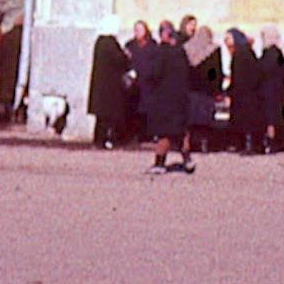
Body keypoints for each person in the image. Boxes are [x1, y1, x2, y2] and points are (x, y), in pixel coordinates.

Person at [141, 20, 195, 174]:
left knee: (165, 132)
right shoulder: (180, 51)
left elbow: (154, 74)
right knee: (181, 132)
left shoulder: (160, 52)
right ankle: (187, 160)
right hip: (180, 97)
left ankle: (159, 163)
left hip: (164, 98)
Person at [87, 18, 131, 149]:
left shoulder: (99, 42)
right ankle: (108, 140)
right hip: (110, 87)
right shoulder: (110, 43)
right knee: (109, 117)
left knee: (101, 117)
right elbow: (119, 61)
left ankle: (99, 140)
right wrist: (126, 56)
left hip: (101, 86)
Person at [224, 28, 267, 154]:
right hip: (246, 92)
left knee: (247, 120)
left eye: (228, 38)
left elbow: (241, 75)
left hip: (245, 93)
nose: (226, 41)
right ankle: (247, 145)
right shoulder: (245, 51)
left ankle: (249, 145)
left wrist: (231, 90)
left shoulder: (240, 53)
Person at [182, 17, 221, 149]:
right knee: (205, 119)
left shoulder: (188, 48)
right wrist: (217, 89)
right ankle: (204, 143)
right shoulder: (214, 49)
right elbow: (216, 72)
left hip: (192, 89)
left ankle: (192, 143)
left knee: (192, 118)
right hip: (207, 90)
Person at [255, 27, 284, 153]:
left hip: (269, 89)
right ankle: (274, 142)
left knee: (270, 118)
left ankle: (271, 141)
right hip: (276, 89)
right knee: (274, 116)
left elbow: (264, 70)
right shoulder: (280, 53)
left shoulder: (270, 53)